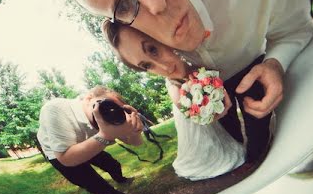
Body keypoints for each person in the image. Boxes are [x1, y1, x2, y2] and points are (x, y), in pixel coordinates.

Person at [69, 0, 313, 162]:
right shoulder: (138, 33)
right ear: (124, 22)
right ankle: (242, 153)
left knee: (258, 124)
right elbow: (165, 67)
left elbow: (294, 30)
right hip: (211, 86)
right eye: (123, 7)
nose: (157, 5)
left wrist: (275, 63)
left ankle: (259, 155)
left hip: (251, 69)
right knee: (227, 126)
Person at [101, 20, 245, 180]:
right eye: (147, 66)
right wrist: (204, 102)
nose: (165, 68)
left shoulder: (200, 52)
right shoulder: (173, 85)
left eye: (153, 49)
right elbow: (188, 109)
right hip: (195, 124)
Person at [36, 86, 144, 194]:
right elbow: (66, 158)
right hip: (59, 152)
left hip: (87, 140)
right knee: (92, 182)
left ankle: (121, 180)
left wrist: (135, 130)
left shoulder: (108, 117)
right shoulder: (55, 109)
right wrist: (105, 136)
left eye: (115, 109)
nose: (109, 112)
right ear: (88, 98)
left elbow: (135, 142)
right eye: (106, 104)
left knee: (112, 164)